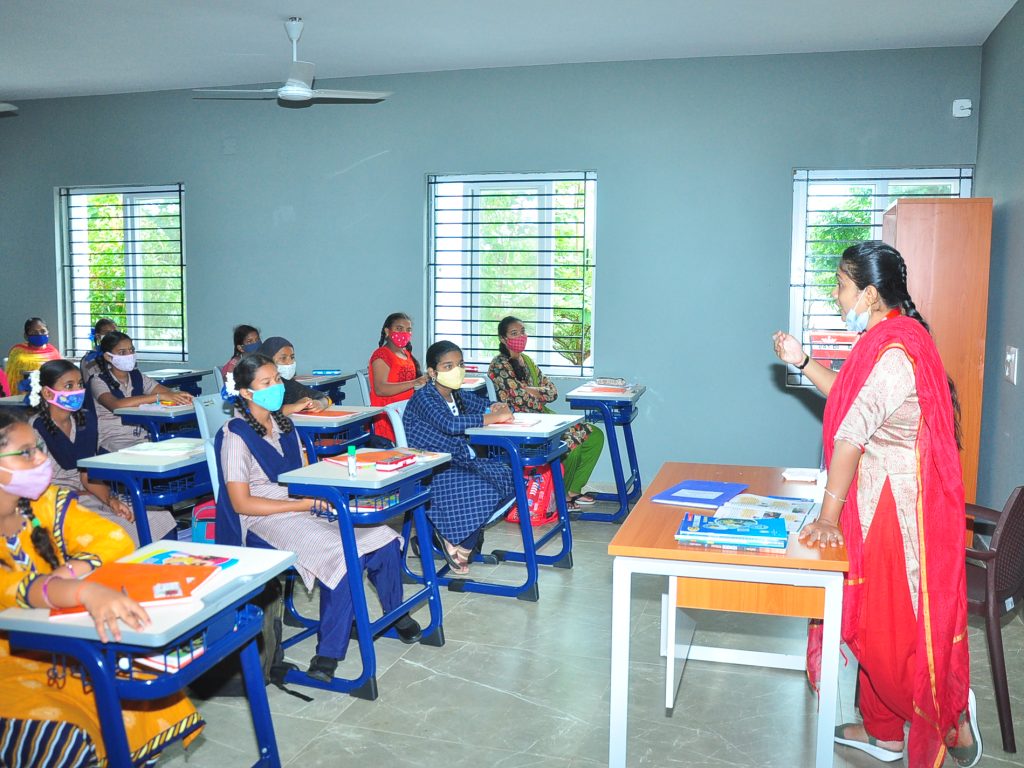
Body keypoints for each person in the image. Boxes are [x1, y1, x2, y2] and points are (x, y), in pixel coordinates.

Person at [772, 242, 980, 767]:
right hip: (876, 499)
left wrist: (826, 514)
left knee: (886, 634)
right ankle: (884, 729)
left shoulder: (893, 352)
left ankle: (945, 716)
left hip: (895, 511)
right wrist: (803, 361)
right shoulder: (886, 341)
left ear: (868, 292)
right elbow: (849, 395)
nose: (836, 296)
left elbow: (850, 432)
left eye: (841, 286)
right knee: (872, 625)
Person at [0, 407, 203, 766]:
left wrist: (72, 570)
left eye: (39, 448)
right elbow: (16, 589)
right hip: (11, 667)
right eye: (26, 452)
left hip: (55, 646)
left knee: (141, 684)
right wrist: (83, 590)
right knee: (63, 736)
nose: (40, 459)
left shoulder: (42, 504)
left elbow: (115, 538)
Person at [217, 354, 421, 682]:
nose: (275, 388)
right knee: (341, 555)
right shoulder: (234, 435)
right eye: (265, 383)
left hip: (301, 504)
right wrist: (304, 505)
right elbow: (241, 503)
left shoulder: (284, 424)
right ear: (245, 392)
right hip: (263, 519)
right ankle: (328, 653)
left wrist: (323, 496)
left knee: (380, 537)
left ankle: (395, 613)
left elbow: (302, 475)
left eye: (277, 381)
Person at [30, 360, 176, 543]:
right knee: (116, 529)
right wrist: (76, 495)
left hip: (87, 494)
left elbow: (86, 475)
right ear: (47, 392)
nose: (77, 390)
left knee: (159, 518)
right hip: (52, 503)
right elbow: (31, 486)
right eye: (69, 386)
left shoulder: (85, 421)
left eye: (80, 384)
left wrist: (111, 500)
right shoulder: (33, 431)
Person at [403, 341, 515, 575]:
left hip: (459, 462)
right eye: (448, 366)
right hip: (432, 469)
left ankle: (455, 539)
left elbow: (484, 405)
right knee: (483, 487)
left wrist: (496, 406)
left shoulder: (458, 395)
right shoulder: (425, 398)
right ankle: (460, 543)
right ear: (432, 372)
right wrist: (493, 418)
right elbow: (450, 424)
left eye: (460, 364)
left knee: (510, 476)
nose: (457, 370)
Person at [488, 316, 605, 511]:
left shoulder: (527, 362)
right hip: (521, 423)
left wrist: (531, 390)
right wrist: (533, 392)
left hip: (543, 417)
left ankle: (573, 491)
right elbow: (521, 399)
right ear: (503, 339)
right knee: (569, 445)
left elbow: (552, 392)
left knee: (594, 436)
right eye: (514, 333)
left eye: (523, 331)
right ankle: (560, 498)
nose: (521, 337)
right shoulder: (500, 365)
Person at [86, 332, 192, 452]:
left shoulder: (137, 376)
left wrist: (179, 395)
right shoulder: (97, 381)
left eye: (131, 350)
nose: (130, 355)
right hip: (115, 442)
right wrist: (160, 396)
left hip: (143, 439)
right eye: (122, 352)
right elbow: (116, 405)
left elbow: (166, 392)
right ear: (108, 357)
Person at [368, 313, 428, 444]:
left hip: (407, 413)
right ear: (387, 331)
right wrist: (414, 383)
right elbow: (381, 389)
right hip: (388, 416)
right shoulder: (382, 355)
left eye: (408, 330)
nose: (404, 333)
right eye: (399, 329)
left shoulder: (405, 354)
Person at [256, 336, 329, 416]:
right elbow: (263, 414)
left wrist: (320, 403)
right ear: (267, 359)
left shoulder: (288, 384)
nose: (289, 362)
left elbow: (324, 397)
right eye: (283, 358)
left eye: (292, 357)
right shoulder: (257, 385)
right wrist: (294, 407)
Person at [5, 318, 61, 394]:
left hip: (49, 393)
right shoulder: (18, 352)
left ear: (48, 333)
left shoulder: (53, 351)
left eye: (43, 331)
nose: (39, 334)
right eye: (34, 332)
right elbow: (12, 379)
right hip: (23, 393)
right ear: (26, 335)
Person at [80, 317, 118, 381]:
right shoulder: (89, 359)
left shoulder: (122, 355)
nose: (113, 336)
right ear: (98, 336)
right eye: (108, 333)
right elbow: (89, 383)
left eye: (115, 332)